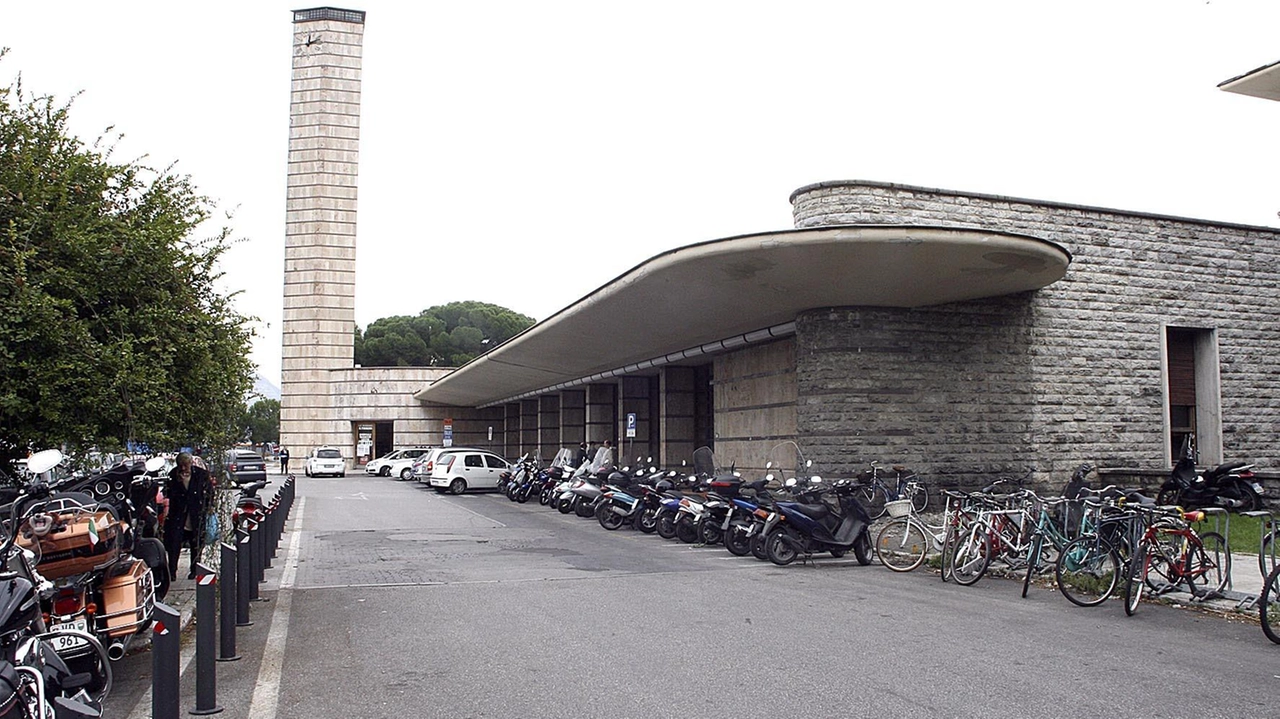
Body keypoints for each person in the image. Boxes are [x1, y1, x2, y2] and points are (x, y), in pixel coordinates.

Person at [165, 452, 212, 580]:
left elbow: (209, 493)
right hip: (178, 515)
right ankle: (172, 571)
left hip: (196, 514)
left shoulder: (201, 474)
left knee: (196, 543)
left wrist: (207, 508)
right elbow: (168, 493)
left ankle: (194, 569)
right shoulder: (173, 475)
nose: (184, 468)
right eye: (182, 465)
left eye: (186, 465)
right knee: (174, 544)